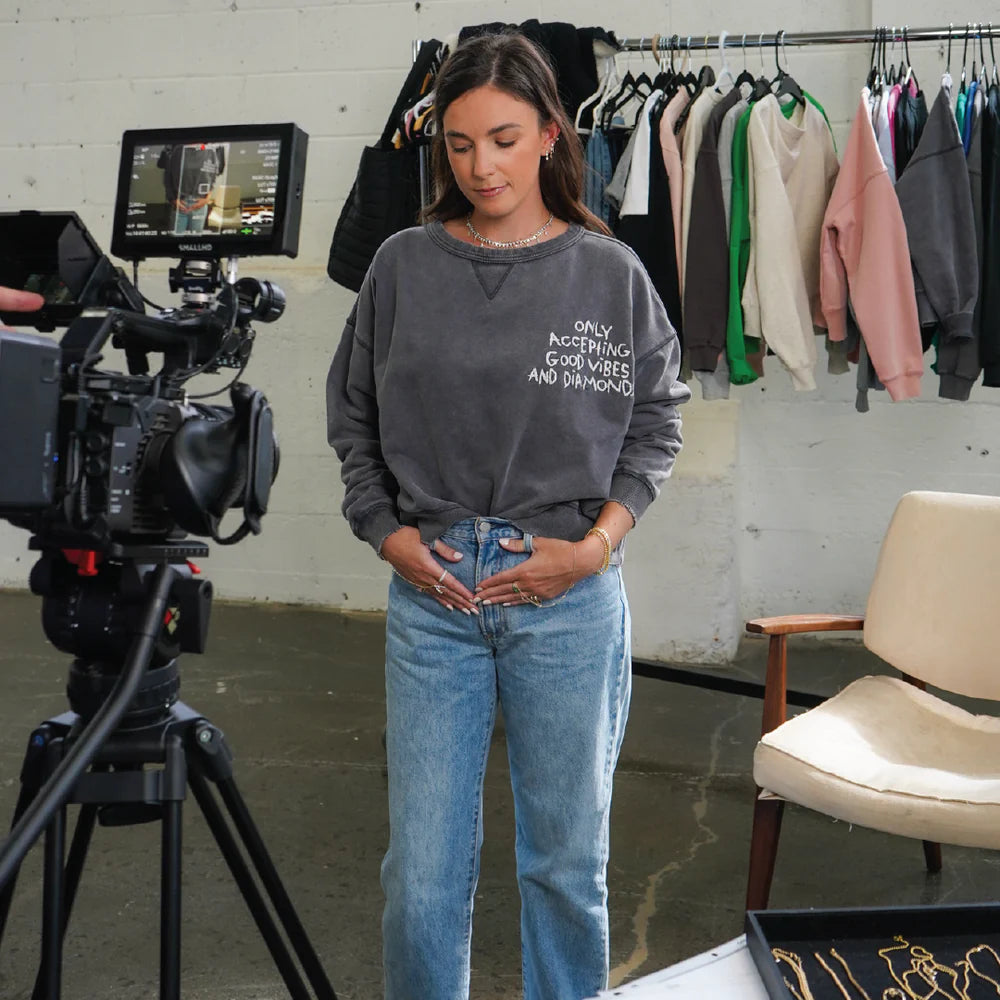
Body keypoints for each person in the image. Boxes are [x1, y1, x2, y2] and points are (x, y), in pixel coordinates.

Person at [327, 31, 690, 1000]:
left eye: (500, 137)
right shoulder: (403, 265)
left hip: (566, 596)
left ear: (547, 136)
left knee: (567, 868)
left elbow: (656, 425)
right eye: (456, 143)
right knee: (421, 877)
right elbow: (351, 413)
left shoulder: (607, 272)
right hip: (434, 588)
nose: (479, 164)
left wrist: (593, 548)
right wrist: (386, 531)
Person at [157, 143, 227, 234]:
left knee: (196, 239)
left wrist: (207, 198)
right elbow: (167, 174)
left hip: (200, 203)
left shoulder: (213, 149)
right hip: (179, 202)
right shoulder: (175, 148)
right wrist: (172, 198)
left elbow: (213, 176)